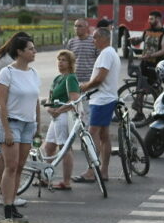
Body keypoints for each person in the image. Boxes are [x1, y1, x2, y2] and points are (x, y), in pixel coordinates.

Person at [0, 34, 42, 220]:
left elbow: (35, 101)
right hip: (11, 123)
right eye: (30, 49)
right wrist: (6, 130)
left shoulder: (33, 73)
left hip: (28, 125)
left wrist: (38, 126)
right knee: (11, 166)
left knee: (20, 166)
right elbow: (2, 103)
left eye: (33, 48)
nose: (34, 51)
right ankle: (6, 207)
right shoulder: (7, 72)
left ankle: (13, 203)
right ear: (20, 52)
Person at [0, 32, 31, 206]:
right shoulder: (7, 63)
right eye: (29, 47)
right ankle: (6, 197)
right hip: (8, 113)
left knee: (2, 158)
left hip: (4, 110)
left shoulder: (4, 57)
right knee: (9, 163)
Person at [77, 27, 119, 183]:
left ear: (103, 38)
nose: (93, 41)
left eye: (95, 38)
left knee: (92, 133)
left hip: (102, 99)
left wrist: (85, 86)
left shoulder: (106, 53)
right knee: (104, 136)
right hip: (106, 98)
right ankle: (103, 171)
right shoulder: (110, 52)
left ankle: (91, 171)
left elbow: (100, 78)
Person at [42, 50, 83, 191]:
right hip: (55, 116)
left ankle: (66, 181)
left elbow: (74, 100)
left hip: (64, 116)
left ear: (70, 63)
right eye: (59, 59)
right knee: (49, 147)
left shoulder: (71, 78)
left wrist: (58, 110)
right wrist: (49, 109)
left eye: (64, 60)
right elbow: (49, 99)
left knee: (65, 148)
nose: (60, 62)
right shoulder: (57, 79)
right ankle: (46, 177)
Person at [132, 10, 164, 122]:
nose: (149, 20)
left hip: (156, 65)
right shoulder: (147, 31)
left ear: (158, 19)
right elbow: (140, 40)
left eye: (151, 19)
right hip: (144, 64)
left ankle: (158, 114)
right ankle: (139, 114)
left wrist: (150, 55)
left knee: (156, 89)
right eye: (149, 18)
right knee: (140, 89)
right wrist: (133, 40)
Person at [65, 18, 97, 84]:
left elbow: (99, 59)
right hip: (74, 79)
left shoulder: (94, 41)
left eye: (79, 26)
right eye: (75, 26)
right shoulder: (71, 42)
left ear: (86, 28)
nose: (77, 28)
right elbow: (67, 61)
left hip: (90, 79)